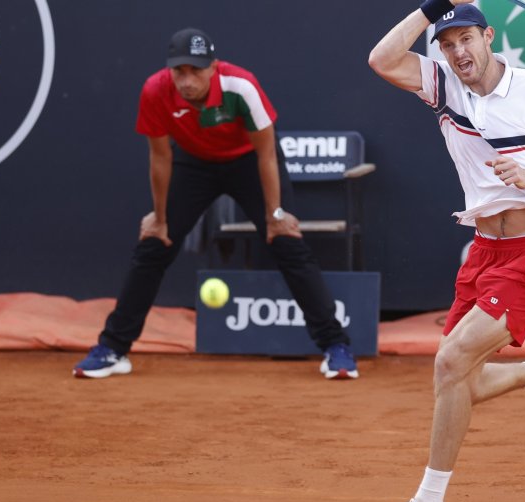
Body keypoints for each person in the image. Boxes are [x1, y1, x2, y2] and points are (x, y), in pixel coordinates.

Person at [369, 1, 525, 502]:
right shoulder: (443, 87)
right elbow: (382, 60)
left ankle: (429, 501)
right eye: (447, 45)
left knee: (450, 361)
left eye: (466, 40)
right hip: (484, 253)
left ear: (489, 37)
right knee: (456, 377)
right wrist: (433, 8)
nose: (458, 52)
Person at [73, 28, 359, 380]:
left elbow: (267, 153)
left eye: (196, 70)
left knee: (287, 241)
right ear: (170, 71)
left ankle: (336, 347)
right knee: (153, 245)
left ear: (214, 67)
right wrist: (160, 218)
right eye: (180, 71)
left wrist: (275, 214)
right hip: (193, 164)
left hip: (249, 164)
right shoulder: (155, 90)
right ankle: (113, 349)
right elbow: (160, 159)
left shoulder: (241, 87)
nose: (188, 80)